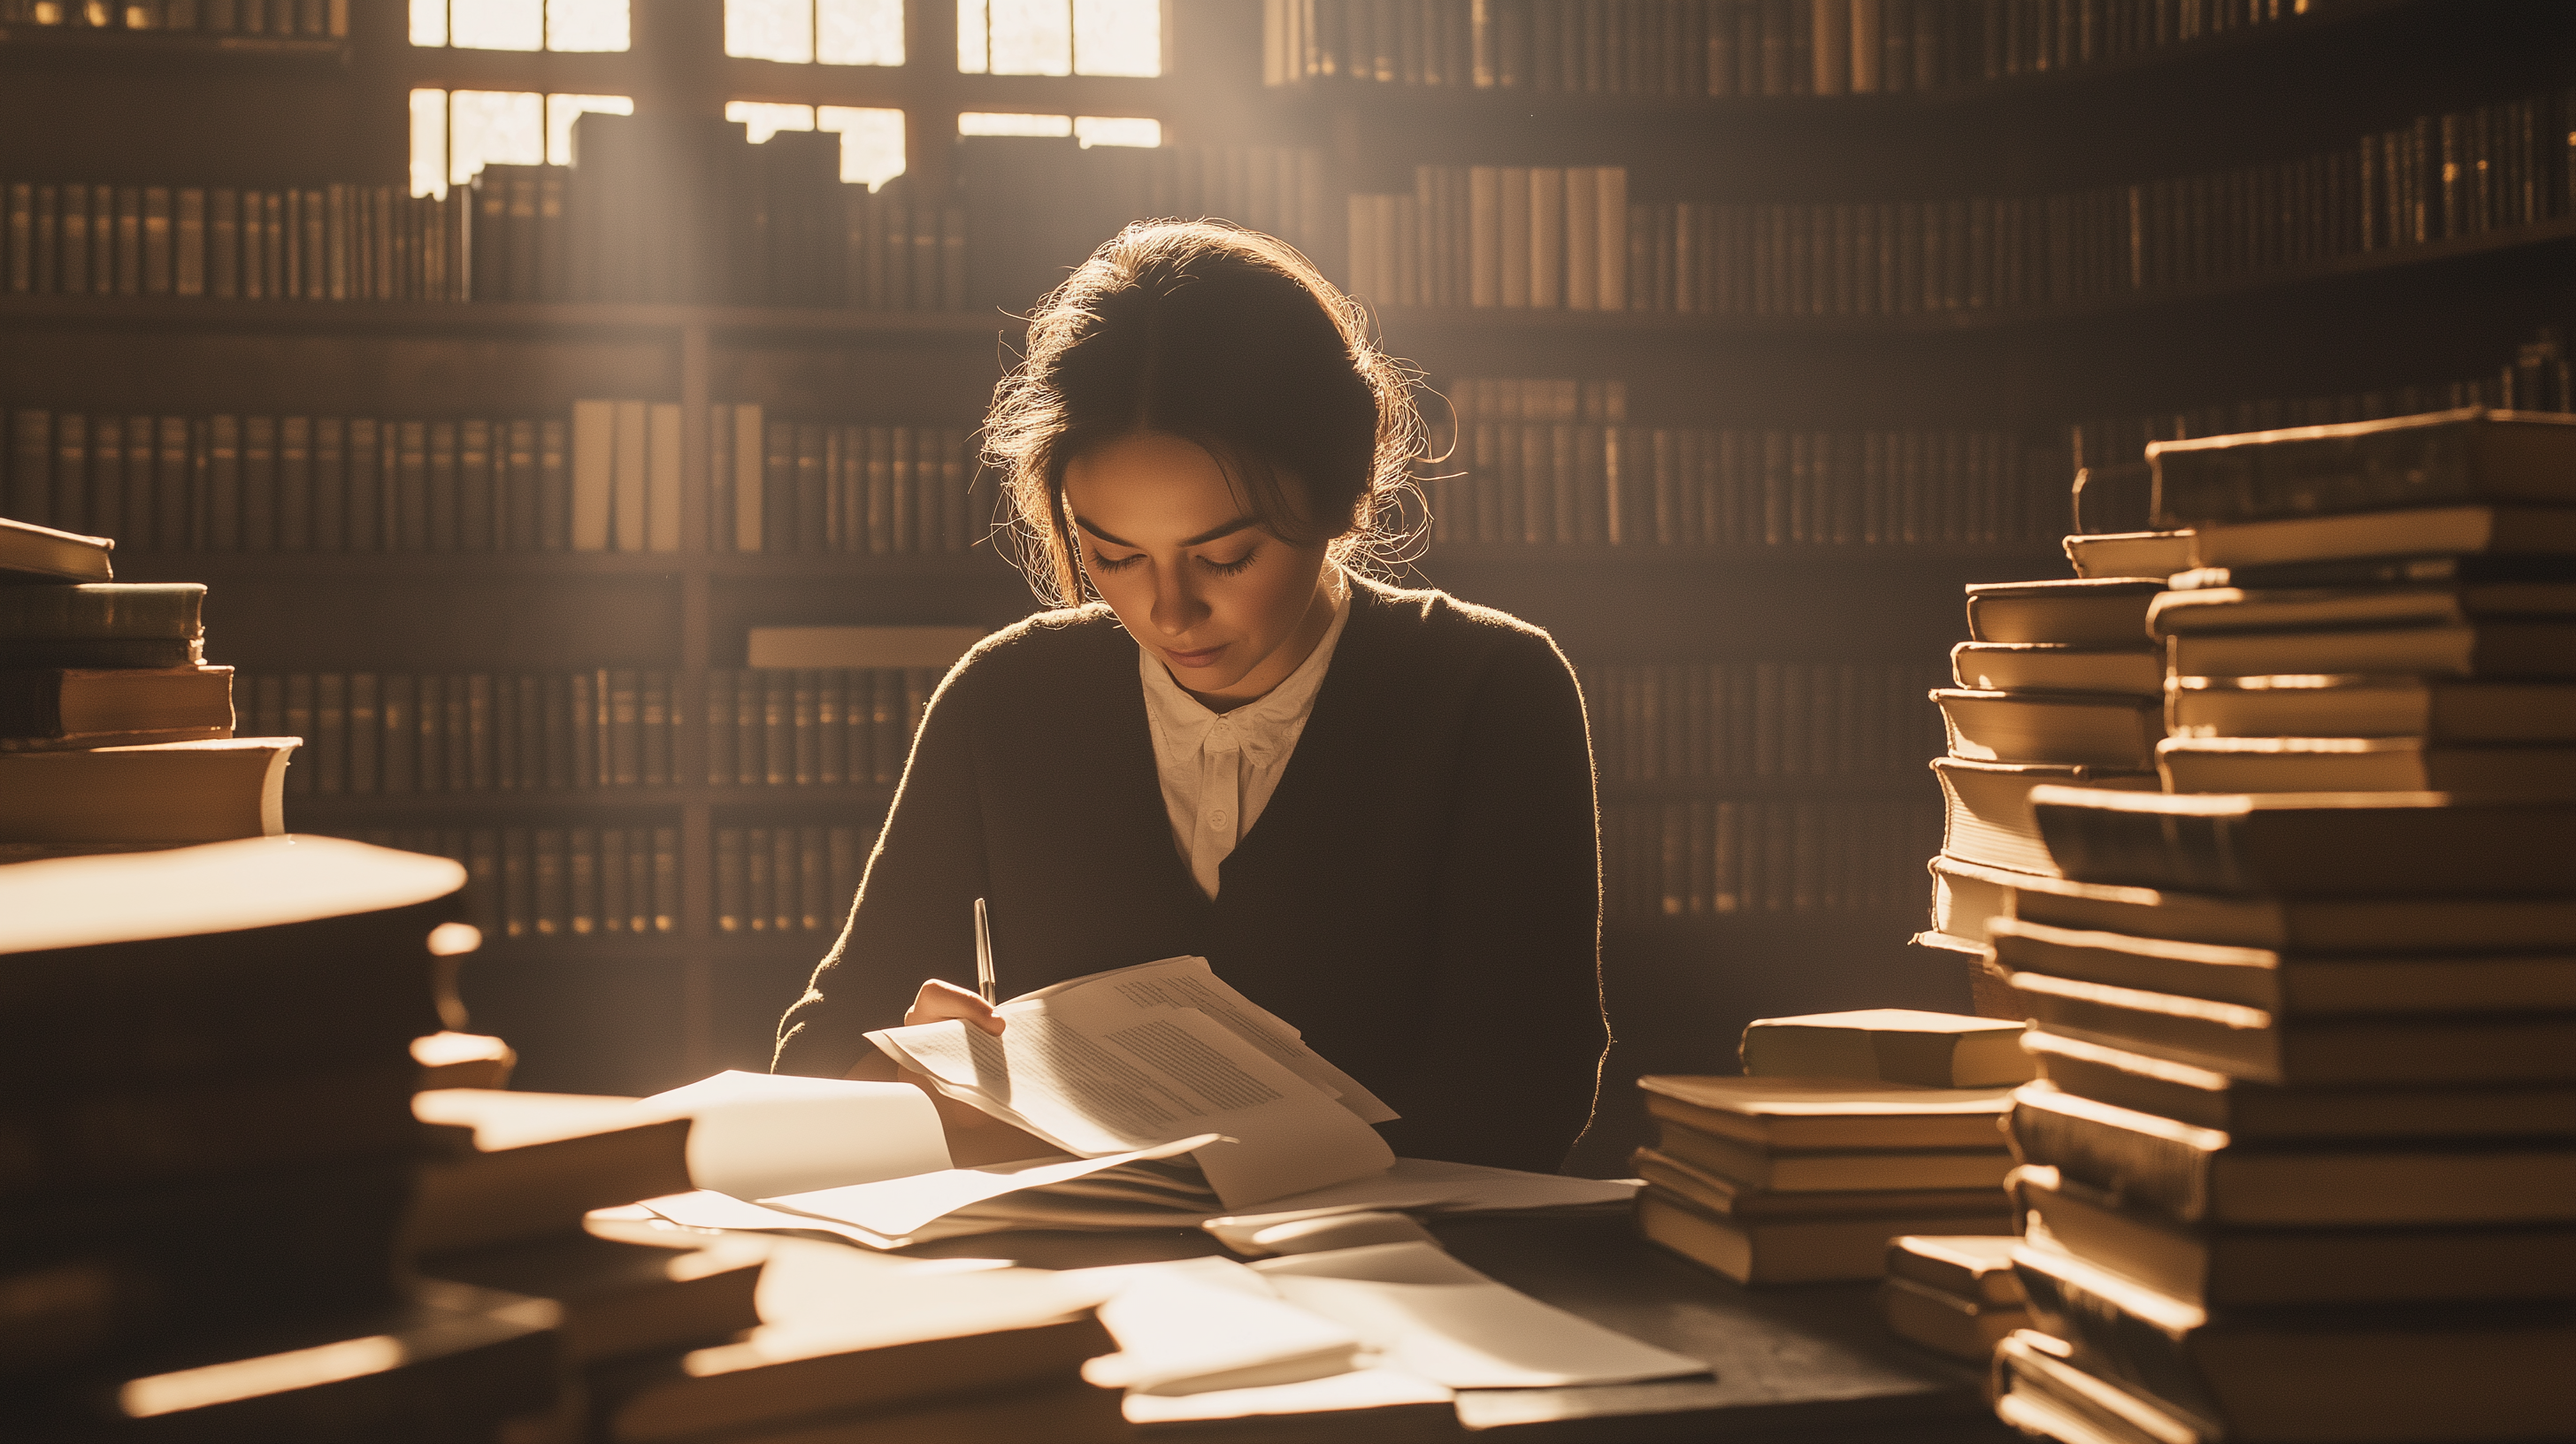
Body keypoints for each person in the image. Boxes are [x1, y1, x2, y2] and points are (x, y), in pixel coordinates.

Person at [772, 220, 1606, 1173]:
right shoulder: (1005, 699)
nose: (1168, 610)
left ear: (1342, 491)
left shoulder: (1489, 692)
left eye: (1224, 556)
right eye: (1113, 556)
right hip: (1082, 1275)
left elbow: (1525, 1094)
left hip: (1389, 1280)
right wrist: (897, 1075)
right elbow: (813, 1054)